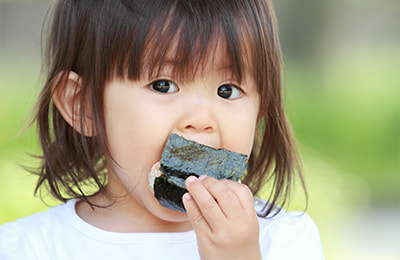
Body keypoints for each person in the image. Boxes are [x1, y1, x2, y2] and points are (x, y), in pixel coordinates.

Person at [0, 0, 324, 259]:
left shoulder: (282, 241)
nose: (201, 118)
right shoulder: (27, 249)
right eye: (163, 85)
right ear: (83, 105)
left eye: (227, 90)